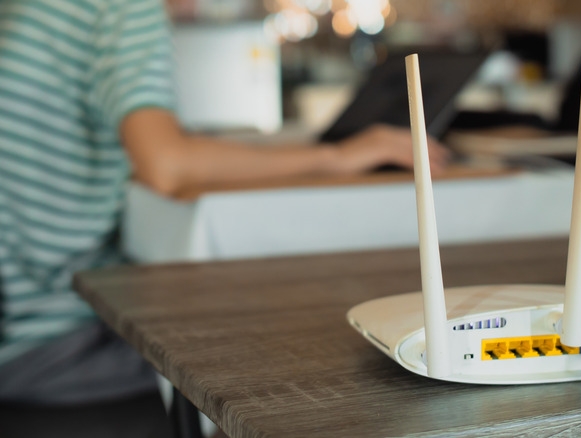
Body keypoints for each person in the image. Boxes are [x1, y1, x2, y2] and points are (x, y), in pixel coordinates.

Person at [0, 0, 447, 435]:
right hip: (49, 337)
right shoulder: (122, 7)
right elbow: (167, 165)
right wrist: (335, 157)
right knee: (310, 346)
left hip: (25, 317)